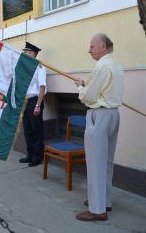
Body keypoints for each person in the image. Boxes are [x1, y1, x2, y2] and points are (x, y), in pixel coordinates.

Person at [74, 33, 123, 221]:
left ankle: (97, 210)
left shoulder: (101, 66)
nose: (89, 50)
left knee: (95, 162)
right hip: (113, 114)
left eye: (92, 46)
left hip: (100, 115)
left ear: (103, 47)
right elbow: (103, 89)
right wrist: (87, 85)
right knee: (107, 161)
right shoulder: (116, 65)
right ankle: (104, 201)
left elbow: (89, 97)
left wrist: (80, 87)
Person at [19, 42, 47, 167]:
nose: (25, 54)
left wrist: (38, 105)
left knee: (37, 130)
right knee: (28, 131)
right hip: (26, 102)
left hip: (35, 101)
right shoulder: (26, 68)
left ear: (33, 53)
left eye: (27, 52)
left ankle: (37, 157)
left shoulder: (39, 68)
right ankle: (30, 155)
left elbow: (42, 87)